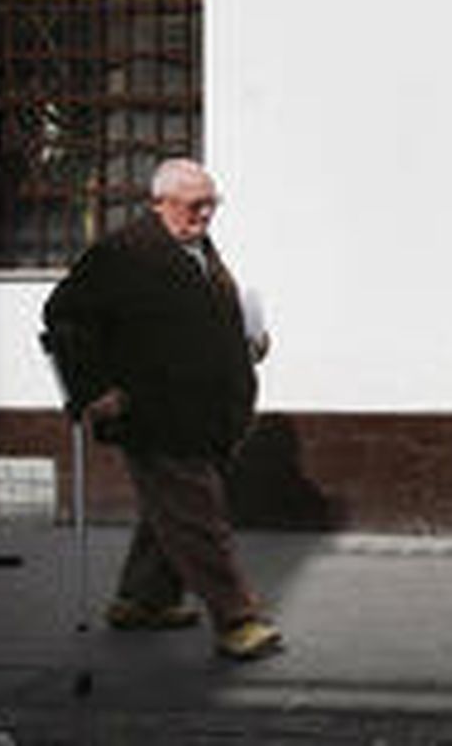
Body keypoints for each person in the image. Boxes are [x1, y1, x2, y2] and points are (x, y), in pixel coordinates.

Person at [43, 158, 283, 661]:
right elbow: (64, 316)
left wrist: (249, 343)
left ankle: (142, 600)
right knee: (200, 517)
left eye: (211, 203)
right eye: (194, 205)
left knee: (172, 512)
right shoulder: (123, 253)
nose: (206, 214)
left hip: (208, 411)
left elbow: (201, 317)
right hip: (154, 413)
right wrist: (92, 389)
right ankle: (237, 620)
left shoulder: (197, 246)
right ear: (159, 203)